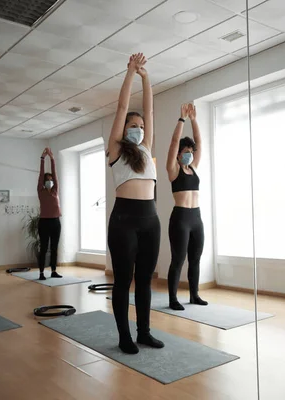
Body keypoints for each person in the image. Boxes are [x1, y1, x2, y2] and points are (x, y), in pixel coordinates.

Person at [107, 53, 163, 354]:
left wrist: (146, 77)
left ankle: (144, 332)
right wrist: (130, 73)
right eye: (133, 124)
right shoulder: (116, 149)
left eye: (140, 125)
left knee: (144, 281)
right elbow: (121, 107)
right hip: (124, 221)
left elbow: (151, 112)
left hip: (150, 220)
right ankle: (124, 336)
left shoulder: (146, 148)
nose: (139, 128)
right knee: (123, 281)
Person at [166, 104, 208, 310]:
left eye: (191, 151)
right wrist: (182, 120)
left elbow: (200, 142)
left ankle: (194, 295)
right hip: (180, 218)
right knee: (178, 259)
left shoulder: (194, 167)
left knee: (195, 259)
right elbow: (174, 142)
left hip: (196, 218)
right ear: (178, 154)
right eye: (185, 151)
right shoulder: (173, 169)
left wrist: (194, 119)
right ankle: (173, 299)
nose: (189, 154)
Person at [37, 147, 62, 280]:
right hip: (44, 222)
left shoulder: (55, 190)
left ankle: (53, 270)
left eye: (51, 179)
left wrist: (52, 158)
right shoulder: (40, 191)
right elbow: (41, 175)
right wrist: (42, 159)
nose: (49, 181)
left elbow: (55, 174)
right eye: (47, 179)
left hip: (55, 222)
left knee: (54, 248)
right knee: (44, 247)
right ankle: (41, 273)